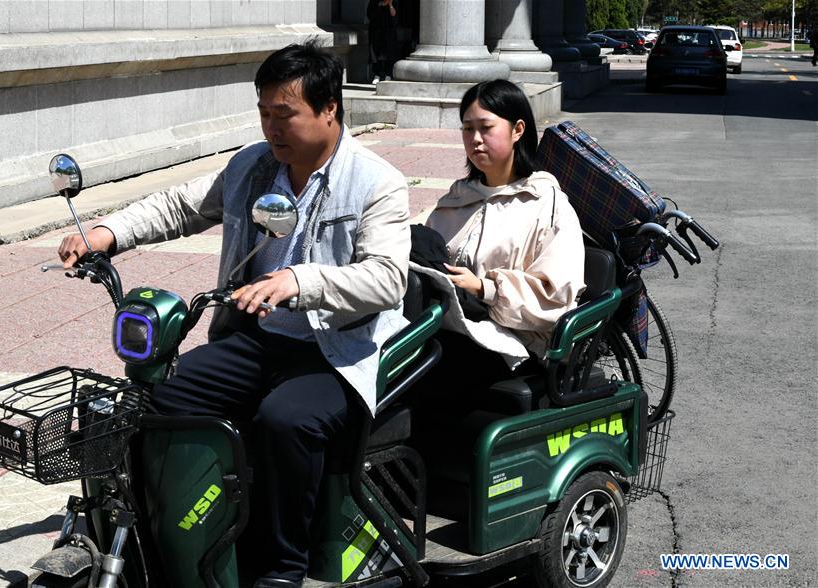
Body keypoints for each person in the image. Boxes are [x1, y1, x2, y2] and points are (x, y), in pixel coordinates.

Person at [58, 42, 411, 587]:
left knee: (285, 420)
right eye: (264, 112)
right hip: (256, 338)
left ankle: (283, 566)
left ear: (330, 109)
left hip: (336, 350)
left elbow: (387, 279)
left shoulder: (376, 182)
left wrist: (301, 280)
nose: (272, 127)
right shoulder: (252, 165)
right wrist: (107, 232)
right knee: (166, 398)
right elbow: (181, 204)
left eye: (285, 114)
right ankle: (187, 531)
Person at [420, 79, 585, 393]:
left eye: (486, 128)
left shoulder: (546, 205)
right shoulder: (459, 197)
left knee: (430, 374)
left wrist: (485, 288)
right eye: (467, 129)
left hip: (518, 345)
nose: (475, 140)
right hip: (452, 328)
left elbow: (555, 298)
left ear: (518, 130)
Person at [367, 0, 398, 84]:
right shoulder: (374, 2)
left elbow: (394, 14)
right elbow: (370, 15)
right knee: (376, 53)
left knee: (389, 52)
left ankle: (388, 74)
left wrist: (390, 5)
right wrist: (379, 5)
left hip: (389, 31)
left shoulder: (393, 1)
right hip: (376, 30)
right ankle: (377, 75)